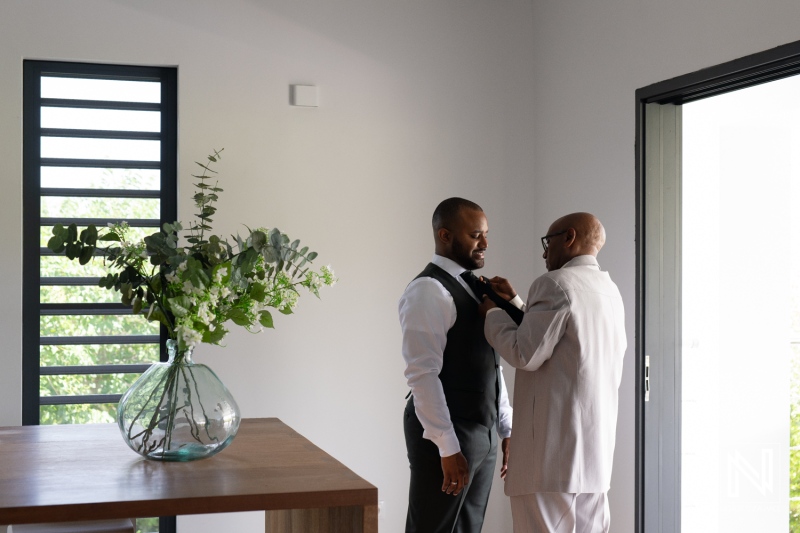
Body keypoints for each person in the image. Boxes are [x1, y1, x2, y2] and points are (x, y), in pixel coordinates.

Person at [479, 212, 626, 533]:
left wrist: (492, 314)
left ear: (569, 237)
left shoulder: (554, 283)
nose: (544, 253)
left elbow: (525, 352)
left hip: (550, 456)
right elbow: (561, 338)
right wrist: (517, 303)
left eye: (548, 242)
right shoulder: (610, 292)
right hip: (594, 458)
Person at [400, 197, 518, 533]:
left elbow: (491, 363)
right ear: (445, 235)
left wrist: (506, 425)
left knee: (469, 528)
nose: (485, 243)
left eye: (486, 234)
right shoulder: (429, 290)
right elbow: (422, 374)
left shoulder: (477, 287)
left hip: (483, 428)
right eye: (475, 235)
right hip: (446, 430)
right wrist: (447, 446)